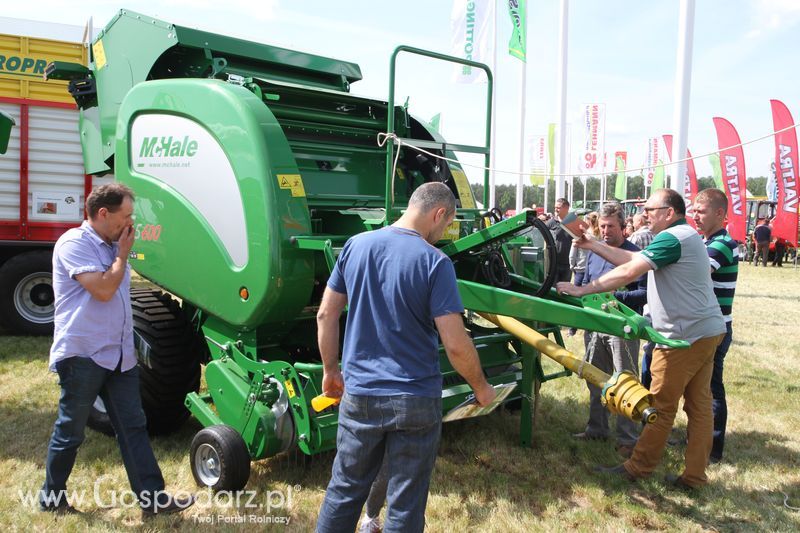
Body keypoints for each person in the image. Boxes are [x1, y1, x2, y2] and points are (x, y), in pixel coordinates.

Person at [315, 182, 496, 533]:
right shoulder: (435, 263)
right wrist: (481, 386)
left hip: (360, 394)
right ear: (438, 213)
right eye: (445, 226)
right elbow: (456, 344)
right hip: (415, 399)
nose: (442, 234)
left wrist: (330, 370)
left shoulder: (355, 246)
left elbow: (326, 315)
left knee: (345, 488)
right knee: (405, 502)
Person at [40, 183, 194, 516]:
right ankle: (52, 499)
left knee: (133, 427)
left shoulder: (113, 246)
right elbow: (104, 290)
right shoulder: (74, 244)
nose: (130, 223)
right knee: (70, 431)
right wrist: (123, 255)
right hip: (83, 356)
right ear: (103, 213)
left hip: (120, 356)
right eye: (125, 216)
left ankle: (153, 500)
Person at [556, 188, 725, 489]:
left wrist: (583, 289)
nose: (645, 213)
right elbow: (633, 257)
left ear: (669, 213)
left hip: (681, 338)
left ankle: (637, 468)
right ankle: (695, 476)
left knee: (660, 406)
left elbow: (629, 270)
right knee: (699, 407)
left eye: (650, 208)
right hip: (706, 331)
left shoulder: (673, 238)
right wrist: (593, 244)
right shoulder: (682, 237)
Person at [568, 202, 647, 459]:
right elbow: (585, 280)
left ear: (623, 227)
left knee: (625, 380)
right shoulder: (595, 252)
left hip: (621, 329)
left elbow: (645, 293)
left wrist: (617, 296)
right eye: (601, 226)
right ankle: (597, 428)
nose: (605, 231)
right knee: (595, 378)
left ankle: (627, 438)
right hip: (594, 324)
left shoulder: (636, 256)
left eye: (610, 226)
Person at [693, 188, 739, 464]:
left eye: (702, 211)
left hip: (716, 329)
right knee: (699, 388)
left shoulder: (722, 243)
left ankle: (712, 448)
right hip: (706, 326)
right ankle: (698, 437)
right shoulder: (706, 240)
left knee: (711, 389)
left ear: (720, 214)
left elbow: (696, 274)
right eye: (694, 210)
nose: (695, 216)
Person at [546, 198, 575, 282]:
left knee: (565, 289)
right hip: (554, 263)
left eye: (558, 207)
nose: (556, 209)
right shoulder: (551, 222)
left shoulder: (573, 221)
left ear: (566, 208)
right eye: (555, 207)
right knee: (553, 288)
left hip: (568, 263)